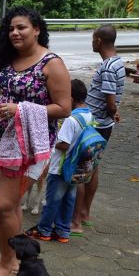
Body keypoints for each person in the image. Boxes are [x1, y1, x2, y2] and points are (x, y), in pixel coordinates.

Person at [0, 6, 71, 276]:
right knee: (9, 204)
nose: (15, 33)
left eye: (22, 27)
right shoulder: (8, 61)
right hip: (1, 141)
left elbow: (64, 108)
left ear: (37, 29)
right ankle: (8, 256)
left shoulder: (51, 64)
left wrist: (21, 109)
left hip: (31, 146)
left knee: (3, 204)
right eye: (11, 29)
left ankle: (10, 265)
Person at [71, 25, 125, 235]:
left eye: (93, 39)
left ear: (99, 41)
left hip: (94, 125)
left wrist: (113, 113)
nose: (92, 42)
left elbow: (110, 101)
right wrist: (113, 114)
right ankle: (84, 214)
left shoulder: (109, 67)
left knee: (81, 169)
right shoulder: (117, 63)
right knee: (92, 167)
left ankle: (76, 220)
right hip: (103, 124)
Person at [28, 79, 91, 243]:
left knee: (52, 201)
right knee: (69, 201)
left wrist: (49, 142)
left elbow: (64, 143)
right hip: (77, 168)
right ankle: (63, 232)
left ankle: (44, 230)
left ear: (70, 98)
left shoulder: (71, 120)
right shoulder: (90, 115)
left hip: (61, 168)